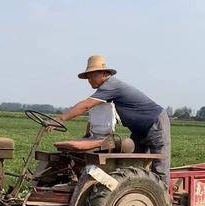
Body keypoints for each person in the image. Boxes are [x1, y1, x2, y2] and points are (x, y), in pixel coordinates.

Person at [56, 55, 171, 187]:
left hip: (155, 122)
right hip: (138, 129)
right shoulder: (105, 91)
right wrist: (89, 133)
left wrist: (60, 119)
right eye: (88, 77)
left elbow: (86, 105)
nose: (89, 80)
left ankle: (163, 199)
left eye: (92, 75)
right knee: (134, 165)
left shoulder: (111, 86)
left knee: (160, 166)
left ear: (104, 74)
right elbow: (99, 111)